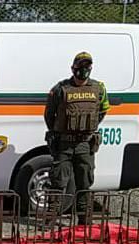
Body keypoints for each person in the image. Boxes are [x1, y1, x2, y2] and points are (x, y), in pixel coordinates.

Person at [44, 51, 110, 213]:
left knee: (84, 184)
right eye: (80, 66)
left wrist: (87, 127)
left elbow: (102, 111)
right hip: (64, 144)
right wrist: (57, 131)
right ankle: (50, 219)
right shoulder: (61, 88)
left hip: (85, 144)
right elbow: (49, 114)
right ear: (73, 68)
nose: (83, 69)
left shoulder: (99, 89)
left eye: (87, 66)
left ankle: (83, 220)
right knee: (58, 182)